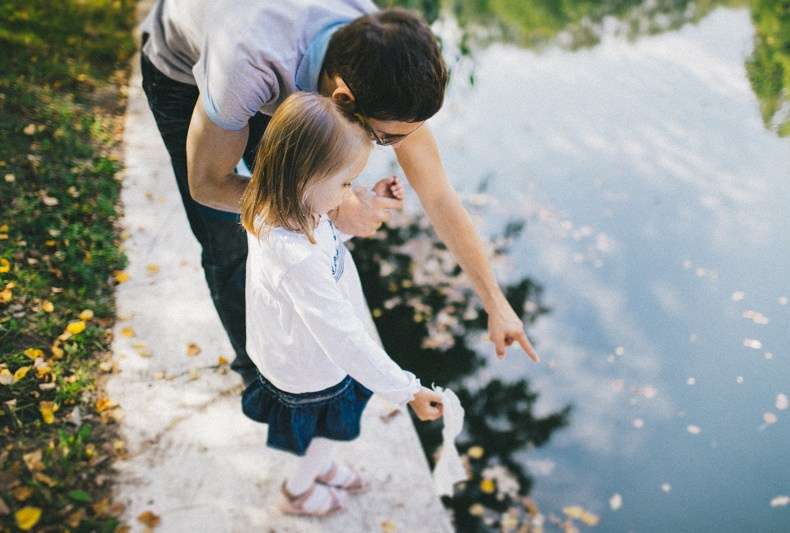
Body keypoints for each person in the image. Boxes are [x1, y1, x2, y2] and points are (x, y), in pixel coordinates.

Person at [140, 0, 538, 385]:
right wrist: (333, 208)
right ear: (343, 99)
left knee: (293, 214)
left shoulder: (382, 53)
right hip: (181, 69)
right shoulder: (245, 68)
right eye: (387, 138)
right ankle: (261, 379)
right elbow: (207, 185)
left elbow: (436, 193)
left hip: (283, 71)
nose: (400, 147)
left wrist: (495, 301)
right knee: (230, 237)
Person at [239, 92, 443, 516]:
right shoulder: (294, 255)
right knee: (330, 429)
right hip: (313, 368)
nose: (350, 194)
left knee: (325, 431)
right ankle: (296, 492)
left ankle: (320, 466)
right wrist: (409, 391)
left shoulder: (286, 211)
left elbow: (325, 248)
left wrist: (374, 202)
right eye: (345, 183)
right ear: (305, 178)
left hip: (301, 354)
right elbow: (344, 340)